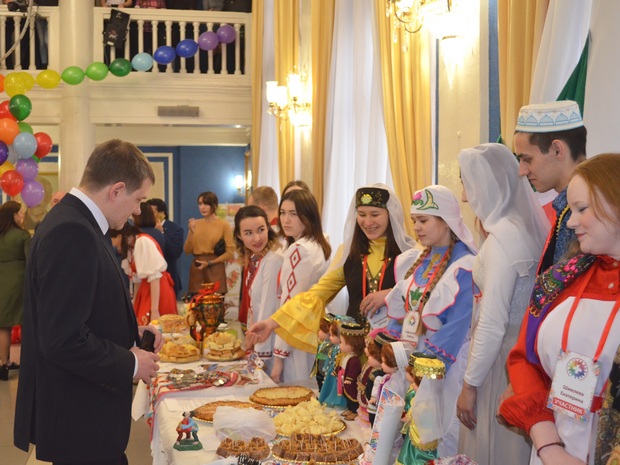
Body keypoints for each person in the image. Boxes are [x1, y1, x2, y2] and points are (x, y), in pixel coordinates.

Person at [14, 139, 163, 465]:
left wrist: (133, 334)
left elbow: (83, 309)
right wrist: (131, 363)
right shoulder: (72, 230)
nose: (138, 210)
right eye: (138, 199)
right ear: (117, 190)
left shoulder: (78, 222)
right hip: (80, 417)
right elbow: (62, 339)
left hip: (84, 415)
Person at [499, 153, 620, 465]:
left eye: (582, 208)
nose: (570, 221)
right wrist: (549, 446)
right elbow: (524, 360)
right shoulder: (558, 280)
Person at [455, 143, 549, 465]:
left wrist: (470, 385)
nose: (464, 197)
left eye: (468, 185)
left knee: (492, 450)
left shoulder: (502, 241)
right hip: (518, 356)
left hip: (499, 364)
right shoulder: (522, 229)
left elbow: (493, 322)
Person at [246, 183, 415, 354]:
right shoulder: (349, 252)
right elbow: (315, 295)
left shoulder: (410, 253)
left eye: (375, 214)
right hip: (354, 349)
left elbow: (423, 296)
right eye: (362, 214)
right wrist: (271, 323)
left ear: (391, 215)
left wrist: (390, 295)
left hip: (393, 352)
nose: (368, 222)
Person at [384, 184, 477, 456]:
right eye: (414, 221)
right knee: (410, 437)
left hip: (443, 371)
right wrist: (391, 350)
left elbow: (456, 328)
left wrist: (422, 370)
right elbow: (406, 311)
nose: (416, 227)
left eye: (423, 221)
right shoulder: (421, 260)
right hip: (413, 366)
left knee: (438, 437)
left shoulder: (464, 266)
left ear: (446, 220)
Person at [514, 100, 587, 274]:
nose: (522, 171)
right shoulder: (566, 206)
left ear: (557, 150)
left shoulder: (595, 208)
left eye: (527, 159)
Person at [271, 189, 331, 383]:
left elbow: (290, 305)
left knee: (295, 392)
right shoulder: (318, 243)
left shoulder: (299, 249)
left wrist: (279, 356)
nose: (286, 220)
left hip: (297, 336)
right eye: (282, 213)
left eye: (293, 214)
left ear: (307, 216)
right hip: (313, 329)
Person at [233, 205, 283, 371]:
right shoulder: (255, 258)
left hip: (272, 342)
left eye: (261, 230)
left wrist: (259, 354)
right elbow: (254, 307)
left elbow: (268, 307)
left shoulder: (273, 260)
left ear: (268, 228)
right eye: (248, 233)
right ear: (239, 236)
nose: (256, 238)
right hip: (262, 340)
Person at [128, 203, 178, 325]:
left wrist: (154, 310)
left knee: (154, 326)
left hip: (154, 289)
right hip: (154, 286)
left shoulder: (142, 239)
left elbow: (153, 274)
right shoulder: (157, 233)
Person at [0, 201, 31, 381]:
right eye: (20, 213)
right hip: (20, 282)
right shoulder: (22, 235)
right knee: (26, 322)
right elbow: (31, 260)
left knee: (3, 325)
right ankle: (28, 364)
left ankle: (3, 364)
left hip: (2, 282)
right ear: (13, 215)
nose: (22, 215)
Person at [183, 191, 235, 296]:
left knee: (215, 302)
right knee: (197, 302)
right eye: (200, 204)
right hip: (198, 267)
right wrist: (191, 232)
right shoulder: (196, 224)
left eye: (206, 204)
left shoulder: (223, 225)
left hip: (215, 267)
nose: (202, 207)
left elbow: (230, 253)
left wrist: (210, 262)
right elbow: (187, 250)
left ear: (214, 206)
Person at [147, 198, 184, 298]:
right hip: (148, 278)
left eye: (152, 212)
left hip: (168, 276)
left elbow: (175, 252)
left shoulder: (175, 229)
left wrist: (161, 233)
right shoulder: (145, 229)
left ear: (161, 213)